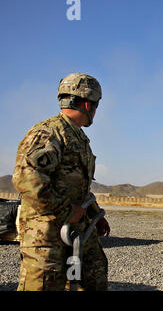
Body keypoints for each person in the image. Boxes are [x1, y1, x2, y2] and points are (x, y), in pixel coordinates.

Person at [12, 72, 110, 291]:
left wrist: (95, 214)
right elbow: (27, 180)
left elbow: (78, 188)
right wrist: (66, 210)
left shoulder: (78, 137)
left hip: (77, 234)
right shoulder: (49, 132)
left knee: (95, 276)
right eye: (96, 105)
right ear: (87, 103)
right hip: (46, 239)